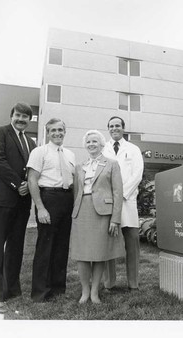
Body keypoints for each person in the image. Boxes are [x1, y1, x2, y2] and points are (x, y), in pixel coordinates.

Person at [0, 102, 36, 314]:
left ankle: (12, 291)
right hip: (2, 199)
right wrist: (18, 184)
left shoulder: (31, 143)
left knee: (15, 247)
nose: (21, 119)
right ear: (11, 115)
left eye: (25, 117)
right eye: (18, 115)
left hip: (22, 203)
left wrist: (28, 186)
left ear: (29, 120)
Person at [70, 130, 124, 304]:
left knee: (100, 253)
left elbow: (118, 192)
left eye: (95, 141)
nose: (91, 144)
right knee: (82, 253)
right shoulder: (79, 166)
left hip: (102, 213)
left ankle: (95, 292)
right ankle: (85, 291)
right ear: (85, 145)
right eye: (88, 142)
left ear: (102, 145)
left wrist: (115, 219)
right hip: (82, 212)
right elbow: (76, 192)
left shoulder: (112, 164)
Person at [27, 118, 75, 302]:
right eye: (53, 130)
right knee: (45, 247)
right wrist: (40, 208)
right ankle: (40, 292)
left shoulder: (70, 154)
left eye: (60, 130)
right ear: (48, 133)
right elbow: (32, 180)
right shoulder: (39, 152)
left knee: (62, 246)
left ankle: (58, 289)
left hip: (66, 199)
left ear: (65, 131)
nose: (57, 133)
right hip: (48, 198)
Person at [102, 116, 144, 291]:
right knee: (108, 243)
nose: (114, 128)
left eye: (117, 125)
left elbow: (137, 174)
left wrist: (122, 194)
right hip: (108, 202)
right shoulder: (103, 149)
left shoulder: (133, 149)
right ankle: (109, 282)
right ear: (108, 129)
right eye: (111, 126)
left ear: (123, 128)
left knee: (132, 241)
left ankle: (133, 283)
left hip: (127, 201)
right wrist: (111, 196)